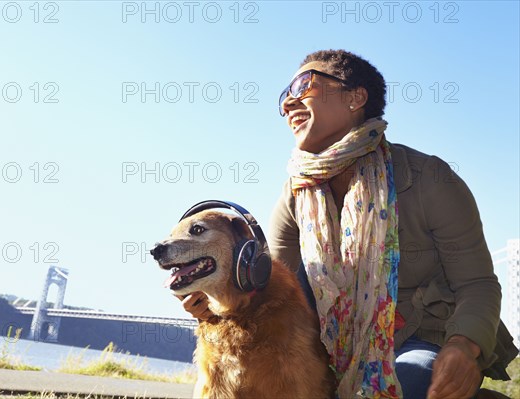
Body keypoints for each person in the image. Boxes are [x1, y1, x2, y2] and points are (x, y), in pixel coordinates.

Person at [180, 49, 518, 399]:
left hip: (421, 341)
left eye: (303, 86)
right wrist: (218, 303)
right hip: (327, 345)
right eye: (284, 97)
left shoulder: (429, 179)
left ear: (355, 98)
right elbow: (269, 292)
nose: (288, 104)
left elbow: (477, 283)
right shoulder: (294, 196)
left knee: (408, 380)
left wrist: (464, 345)